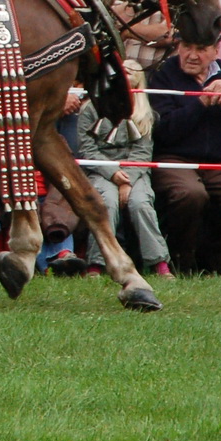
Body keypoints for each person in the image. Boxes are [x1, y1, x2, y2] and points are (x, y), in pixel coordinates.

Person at [148, 37, 221, 273]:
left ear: (215, 50)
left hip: (220, 161)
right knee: (189, 194)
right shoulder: (163, 73)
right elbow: (164, 130)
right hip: (173, 157)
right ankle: (182, 261)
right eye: (187, 46)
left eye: (200, 48)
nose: (192, 55)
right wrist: (201, 102)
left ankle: (215, 260)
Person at [78, 60, 173, 280]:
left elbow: (142, 152)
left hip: (136, 171)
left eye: (130, 72)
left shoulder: (144, 113)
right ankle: (97, 264)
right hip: (100, 171)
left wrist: (126, 178)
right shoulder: (91, 109)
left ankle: (159, 263)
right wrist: (112, 173)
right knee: (106, 204)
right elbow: (88, 150)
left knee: (141, 203)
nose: (124, 75)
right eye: (121, 71)